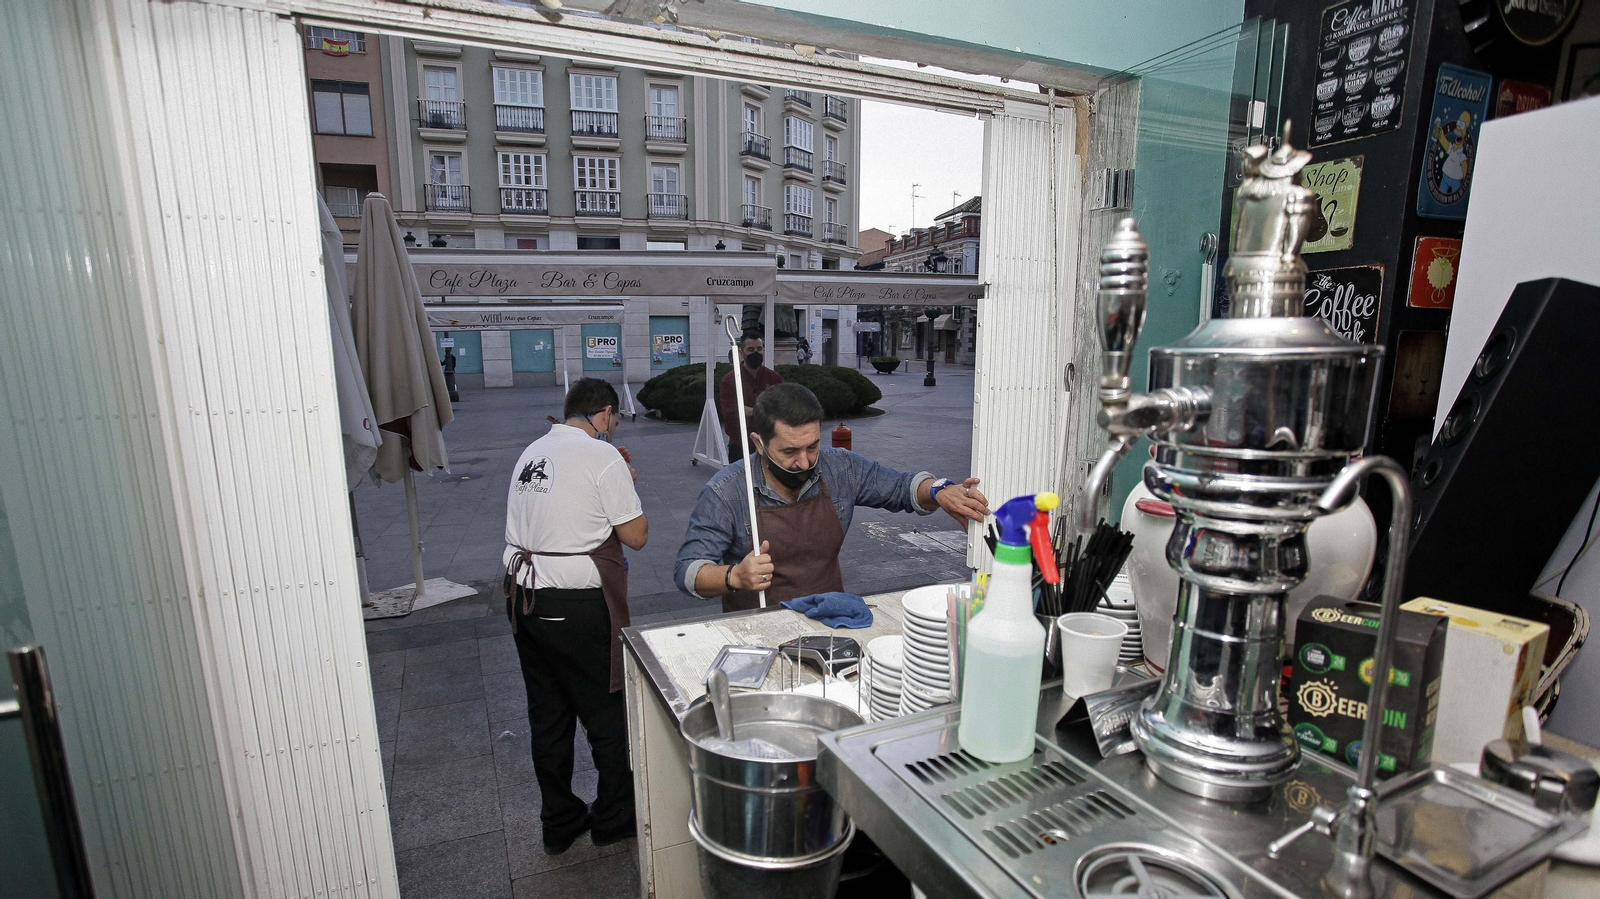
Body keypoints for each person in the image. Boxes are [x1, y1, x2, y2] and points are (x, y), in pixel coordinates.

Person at [675, 383, 990, 612]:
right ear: (759, 444)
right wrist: (734, 576)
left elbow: (900, 488)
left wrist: (939, 490)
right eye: (789, 451)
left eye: (812, 446)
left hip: (829, 619)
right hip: (757, 628)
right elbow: (688, 571)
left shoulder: (840, 468)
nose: (804, 461)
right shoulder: (726, 491)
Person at [503, 378, 646, 854]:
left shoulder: (533, 451)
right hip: (577, 606)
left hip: (524, 597)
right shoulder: (601, 455)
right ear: (604, 413)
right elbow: (636, 535)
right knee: (607, 715)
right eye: (614, 420)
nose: (612, 428)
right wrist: (624, 482)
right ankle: (613, 819)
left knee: (549, 718)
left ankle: (559, 822)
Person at [718, 330, 783, 462]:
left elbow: (782, 409)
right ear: (742, 352)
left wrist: (750, 411)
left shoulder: (774, 378)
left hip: (770, 442)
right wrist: (764, 411)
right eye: (750, 349)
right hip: (740, 445)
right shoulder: (729, 381)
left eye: (759, 349)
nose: (756, 353)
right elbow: (731, 414)